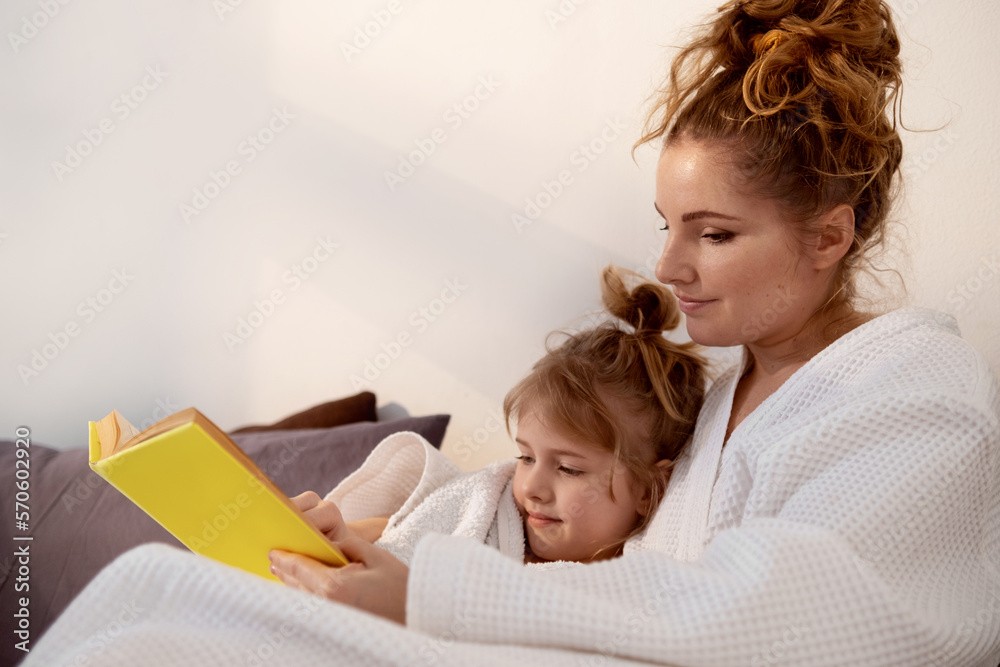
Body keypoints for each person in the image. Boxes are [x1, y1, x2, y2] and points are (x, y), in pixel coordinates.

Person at [20, 0, 999, 664]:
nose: (670, 264)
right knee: (156, 590)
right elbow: (588, 555)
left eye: (714, 233)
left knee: (168, 628)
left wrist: (430, 594)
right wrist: (370, 547)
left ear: (828, 235)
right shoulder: (714, 404)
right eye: (668, 227)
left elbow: (779, 612)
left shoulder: (917, 398)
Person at [281, 265, 704, 568]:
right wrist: (335, 534)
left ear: (649, 490)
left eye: (570, 469)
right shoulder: (490, 505)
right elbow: (403, 530)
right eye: (526, 457)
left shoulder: (628, 580)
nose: (533, 487)